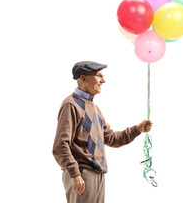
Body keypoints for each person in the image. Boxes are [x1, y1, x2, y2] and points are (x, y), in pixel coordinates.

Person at [53, 61, 153, 203]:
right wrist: (74, 174)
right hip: (82, 174)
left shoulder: (94, 108)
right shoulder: (71, 105)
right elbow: (60, 146)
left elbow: (112, 138)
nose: (103, 81)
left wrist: (137, 129)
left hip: (97, 175)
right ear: (83, 79)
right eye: (99, 76)